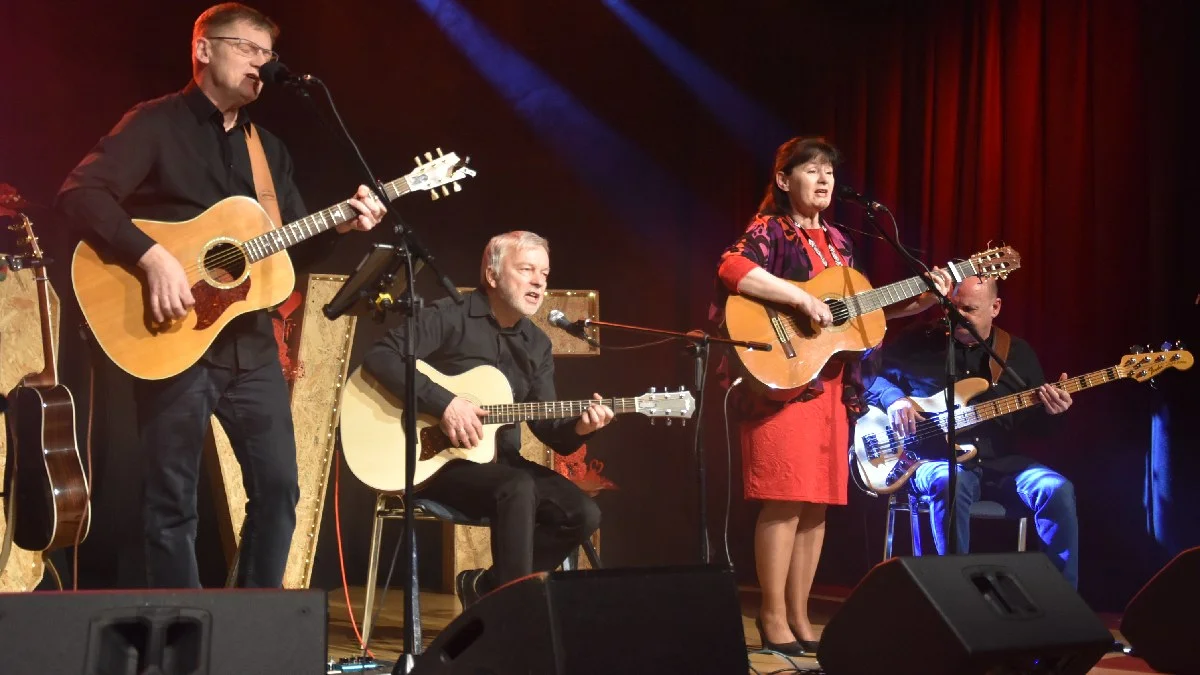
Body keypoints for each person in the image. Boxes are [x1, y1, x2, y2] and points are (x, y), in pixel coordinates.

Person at [56, 3, 385, 588]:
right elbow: (81, 194)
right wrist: (151, 256)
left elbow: (286, 255)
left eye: (269, 55)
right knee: (171, 501)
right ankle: (184, 638)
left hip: (250, 348)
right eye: (249, 50)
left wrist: (340, 226)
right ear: (204, 50)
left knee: (280, 488)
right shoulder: (155, 124)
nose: (263, 65)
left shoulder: (270, 151)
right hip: (172, 338)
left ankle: (248, 630)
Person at [711, 136, 952, 655]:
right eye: (811, 170)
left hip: (832, 388)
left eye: (829, 173)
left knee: (817, 504)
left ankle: (799, 616)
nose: (823, 180)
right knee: (784, 501)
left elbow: (858, 318)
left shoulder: (840, 244)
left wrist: (921, 300)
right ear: (783, 180)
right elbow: (731, 268)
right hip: (783, 384)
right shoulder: (771, 231)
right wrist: (801, 297)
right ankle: (769, 614)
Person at [362, 230, 614, 608]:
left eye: (544, 274)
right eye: (527, 269)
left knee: (582, 512)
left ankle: (489, 588)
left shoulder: (537, 344)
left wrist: (581, 427)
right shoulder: (450, 316)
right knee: (517, 486)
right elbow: (381, 356)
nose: (538, 282)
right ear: (493, 275)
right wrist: (445, 403)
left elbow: (548, 428)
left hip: (499, 464)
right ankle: (512, 617)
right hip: (434, 462)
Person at [864, 276, 1079, 587]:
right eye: (952, 307)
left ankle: (1063, 603)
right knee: (952, 479)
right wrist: (894, 399)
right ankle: (954, 594)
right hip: (926, 460)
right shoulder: (918, 340)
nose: (957, 315)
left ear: (995, 307)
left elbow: (1036, 429)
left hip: (999, 464)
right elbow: (867, 377)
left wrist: (1053, 412)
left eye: (968, 309)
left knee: (1056, 489)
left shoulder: (1016, 353)